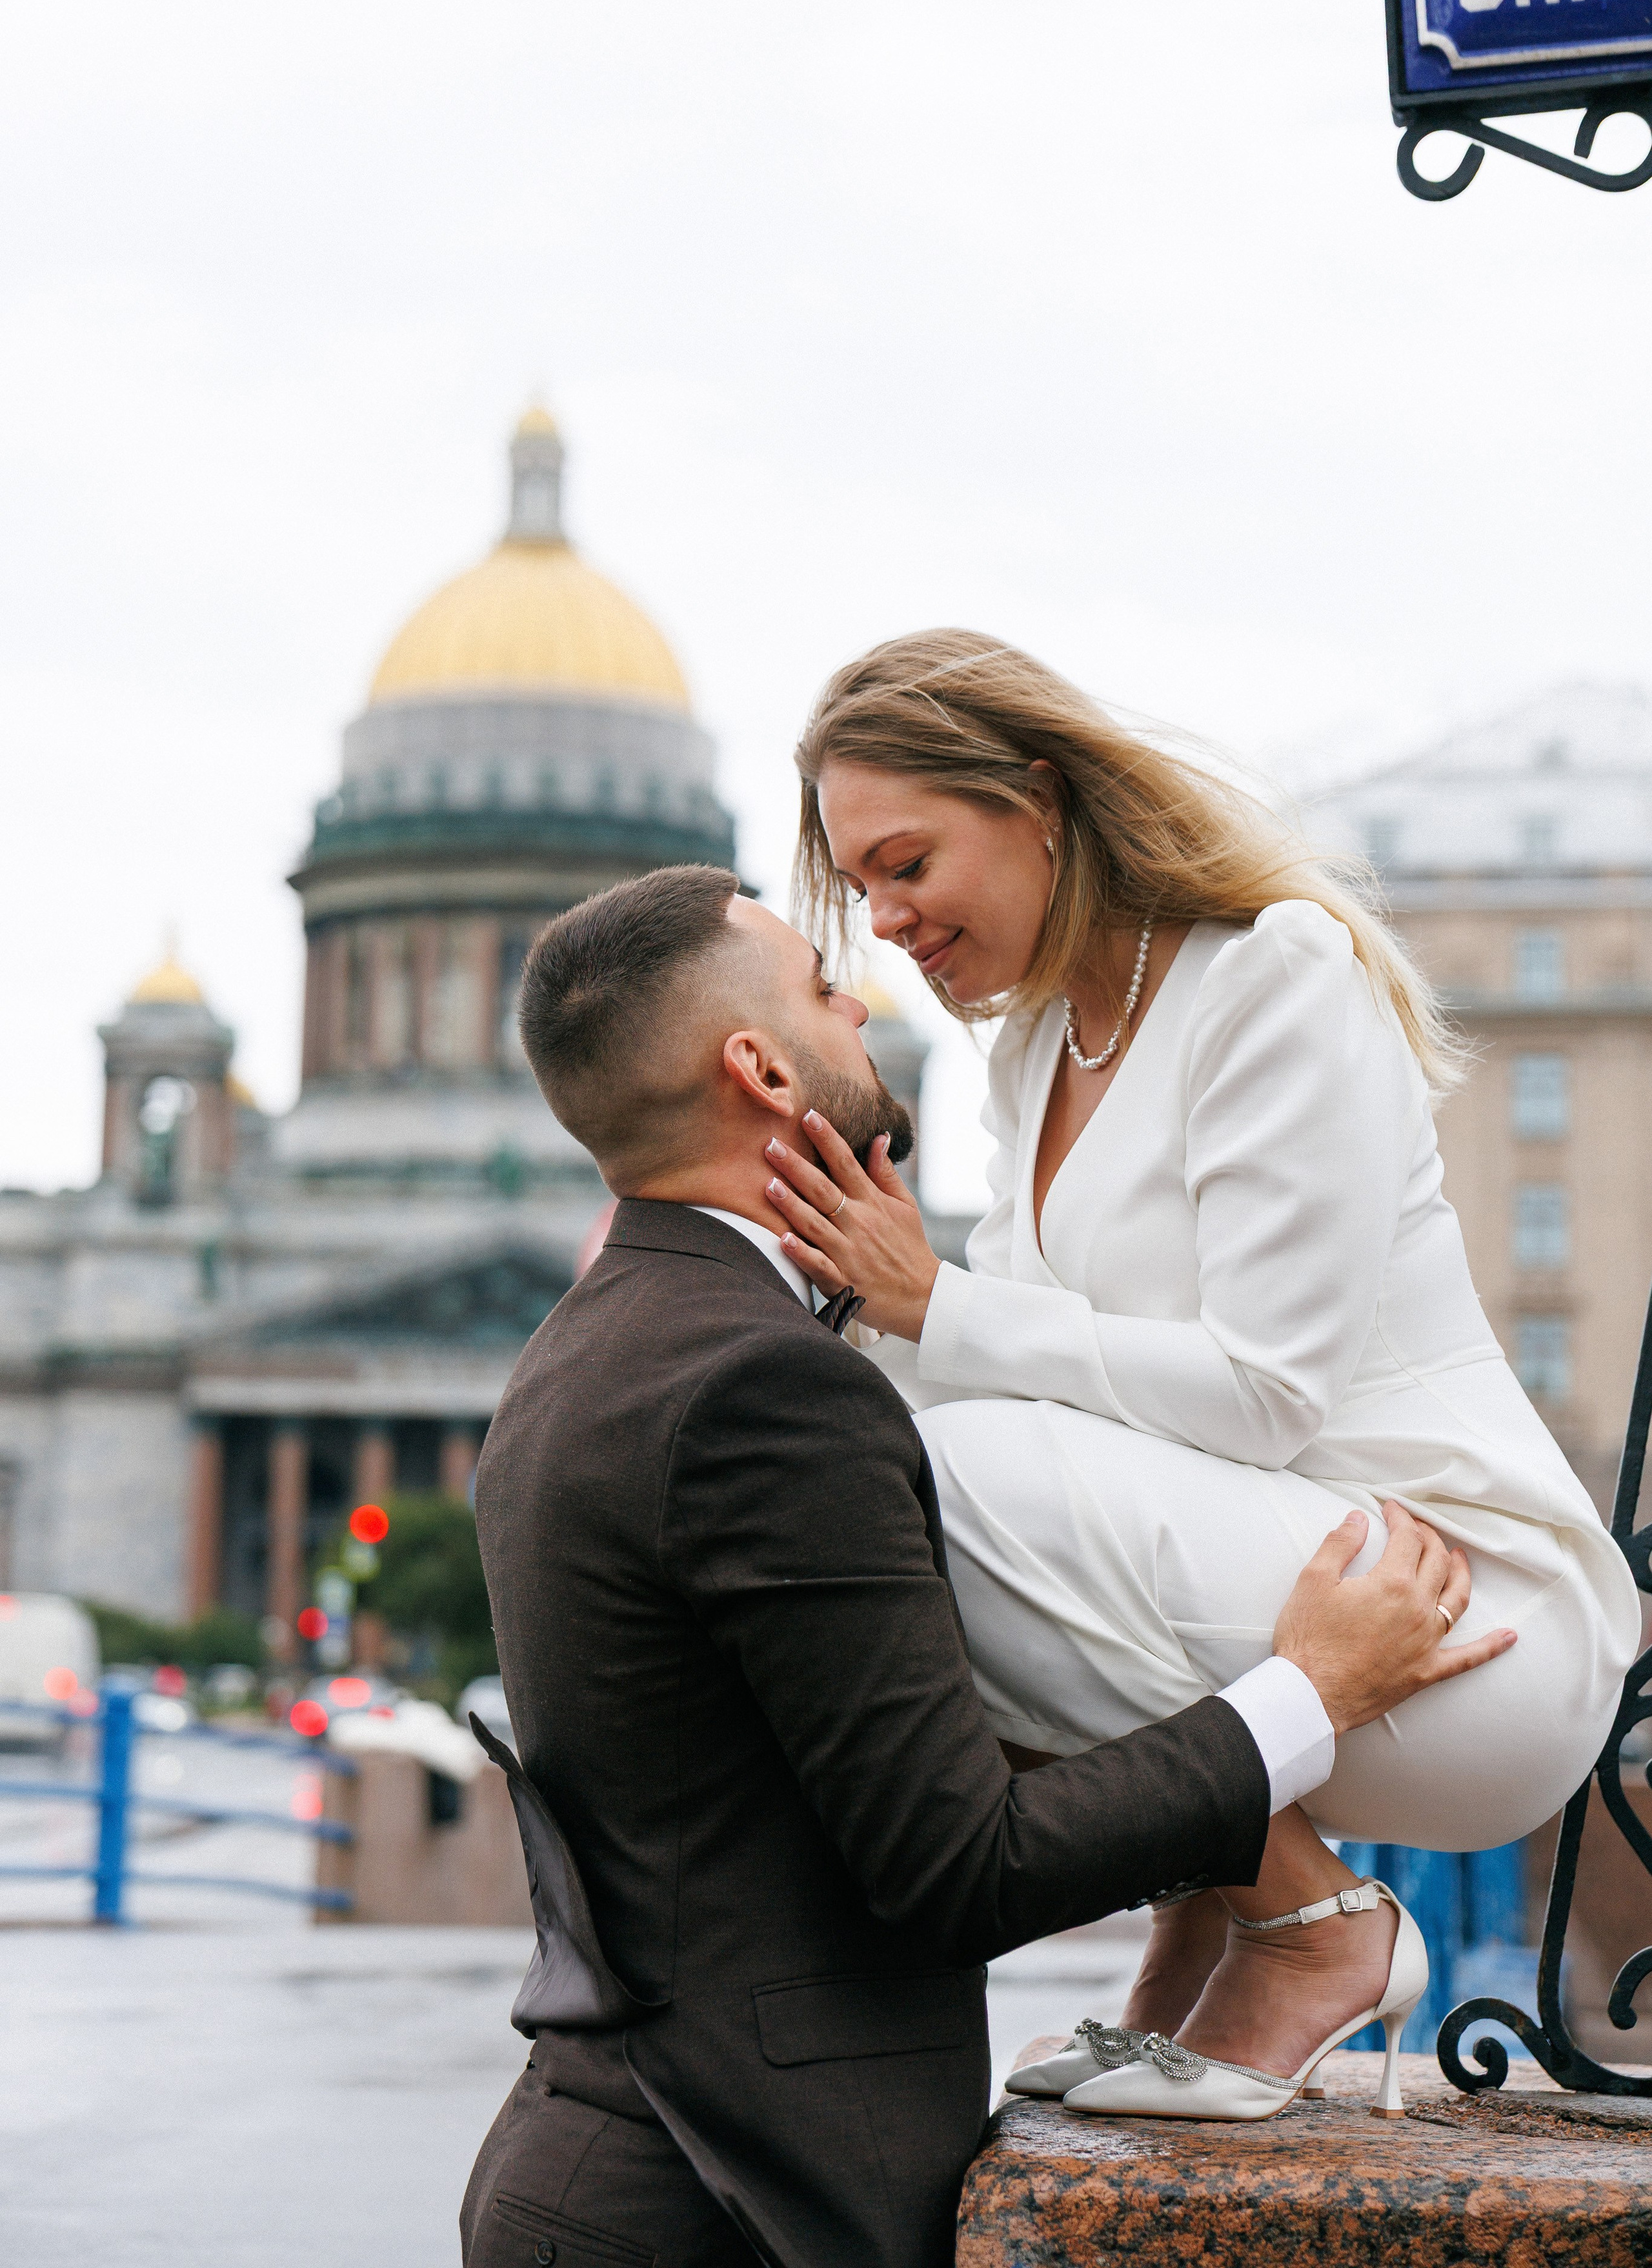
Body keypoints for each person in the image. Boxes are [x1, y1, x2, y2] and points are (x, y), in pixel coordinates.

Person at [463, 862, 1511, 2267]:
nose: (866, 1003)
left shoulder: (590, 1350)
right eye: (825, 990)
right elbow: (958, 1867)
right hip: (718, 2204)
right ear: (762, 1070)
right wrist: (1304, 1694)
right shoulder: (759, 1390)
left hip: (619, 2171)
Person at [766, 627, 1640, 2123]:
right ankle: (1209, 1926)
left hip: (1459, 1606)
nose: (885, 922)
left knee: (930, 1485)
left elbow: (1266, 1393)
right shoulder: (1031, 1046)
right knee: (873, 1476)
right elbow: (1029, 1395)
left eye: (905, 864)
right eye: (858, 892)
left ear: (1037, 798)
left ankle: (1316, 1930)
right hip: (1298, 1585)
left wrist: (930, 1305)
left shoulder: (1272, 973)